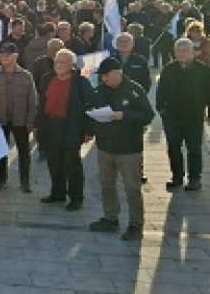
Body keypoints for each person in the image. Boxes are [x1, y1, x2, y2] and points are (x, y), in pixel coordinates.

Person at [88, 57, 155, 241]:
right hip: (105, 147)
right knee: (106, 185)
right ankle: (110, 218)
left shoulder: (134, 90)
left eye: (106, 76)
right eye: (102, 76)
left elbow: (148, 115)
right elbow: (91, 111)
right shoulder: (99, 90)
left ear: (118, 74)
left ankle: (136, 225)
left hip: (129, 149)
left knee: (132, 188)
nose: (103, 79)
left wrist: (124, 115)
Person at [36, 49, 95, 210]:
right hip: (50, 125)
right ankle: (58, 193)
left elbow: (90, 105)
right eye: (57, 62)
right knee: (54, 162)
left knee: (72, 163)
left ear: (72, 65)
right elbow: (41, 104)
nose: (59, 65)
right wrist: (38, 125)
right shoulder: (47, 79)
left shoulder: (81, 82)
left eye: (63, 62)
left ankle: (76, 197)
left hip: (71, 126)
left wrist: (89, 131)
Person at [155, 38, 210, 191]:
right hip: (172, 116)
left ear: (193, 52)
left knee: (194, 149)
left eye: (185, 51)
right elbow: (161, 91)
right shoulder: (169, 69)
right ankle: (177, 176)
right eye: (178, 51)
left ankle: (194, 179)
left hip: (194, 117)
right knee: (173, 148)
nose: (181, 54)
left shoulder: (203, 70)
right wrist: (161, 109)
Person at [0, 42, 38, 193]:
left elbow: (32, 100)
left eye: (8, 54)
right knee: (0, 151)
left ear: (16, 56)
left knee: (24, 152)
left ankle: (25, 181)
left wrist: (31, 121)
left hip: (20, 120)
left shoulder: (26, 76)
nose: (4, 57)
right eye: (2, 54)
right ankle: (1, 178)